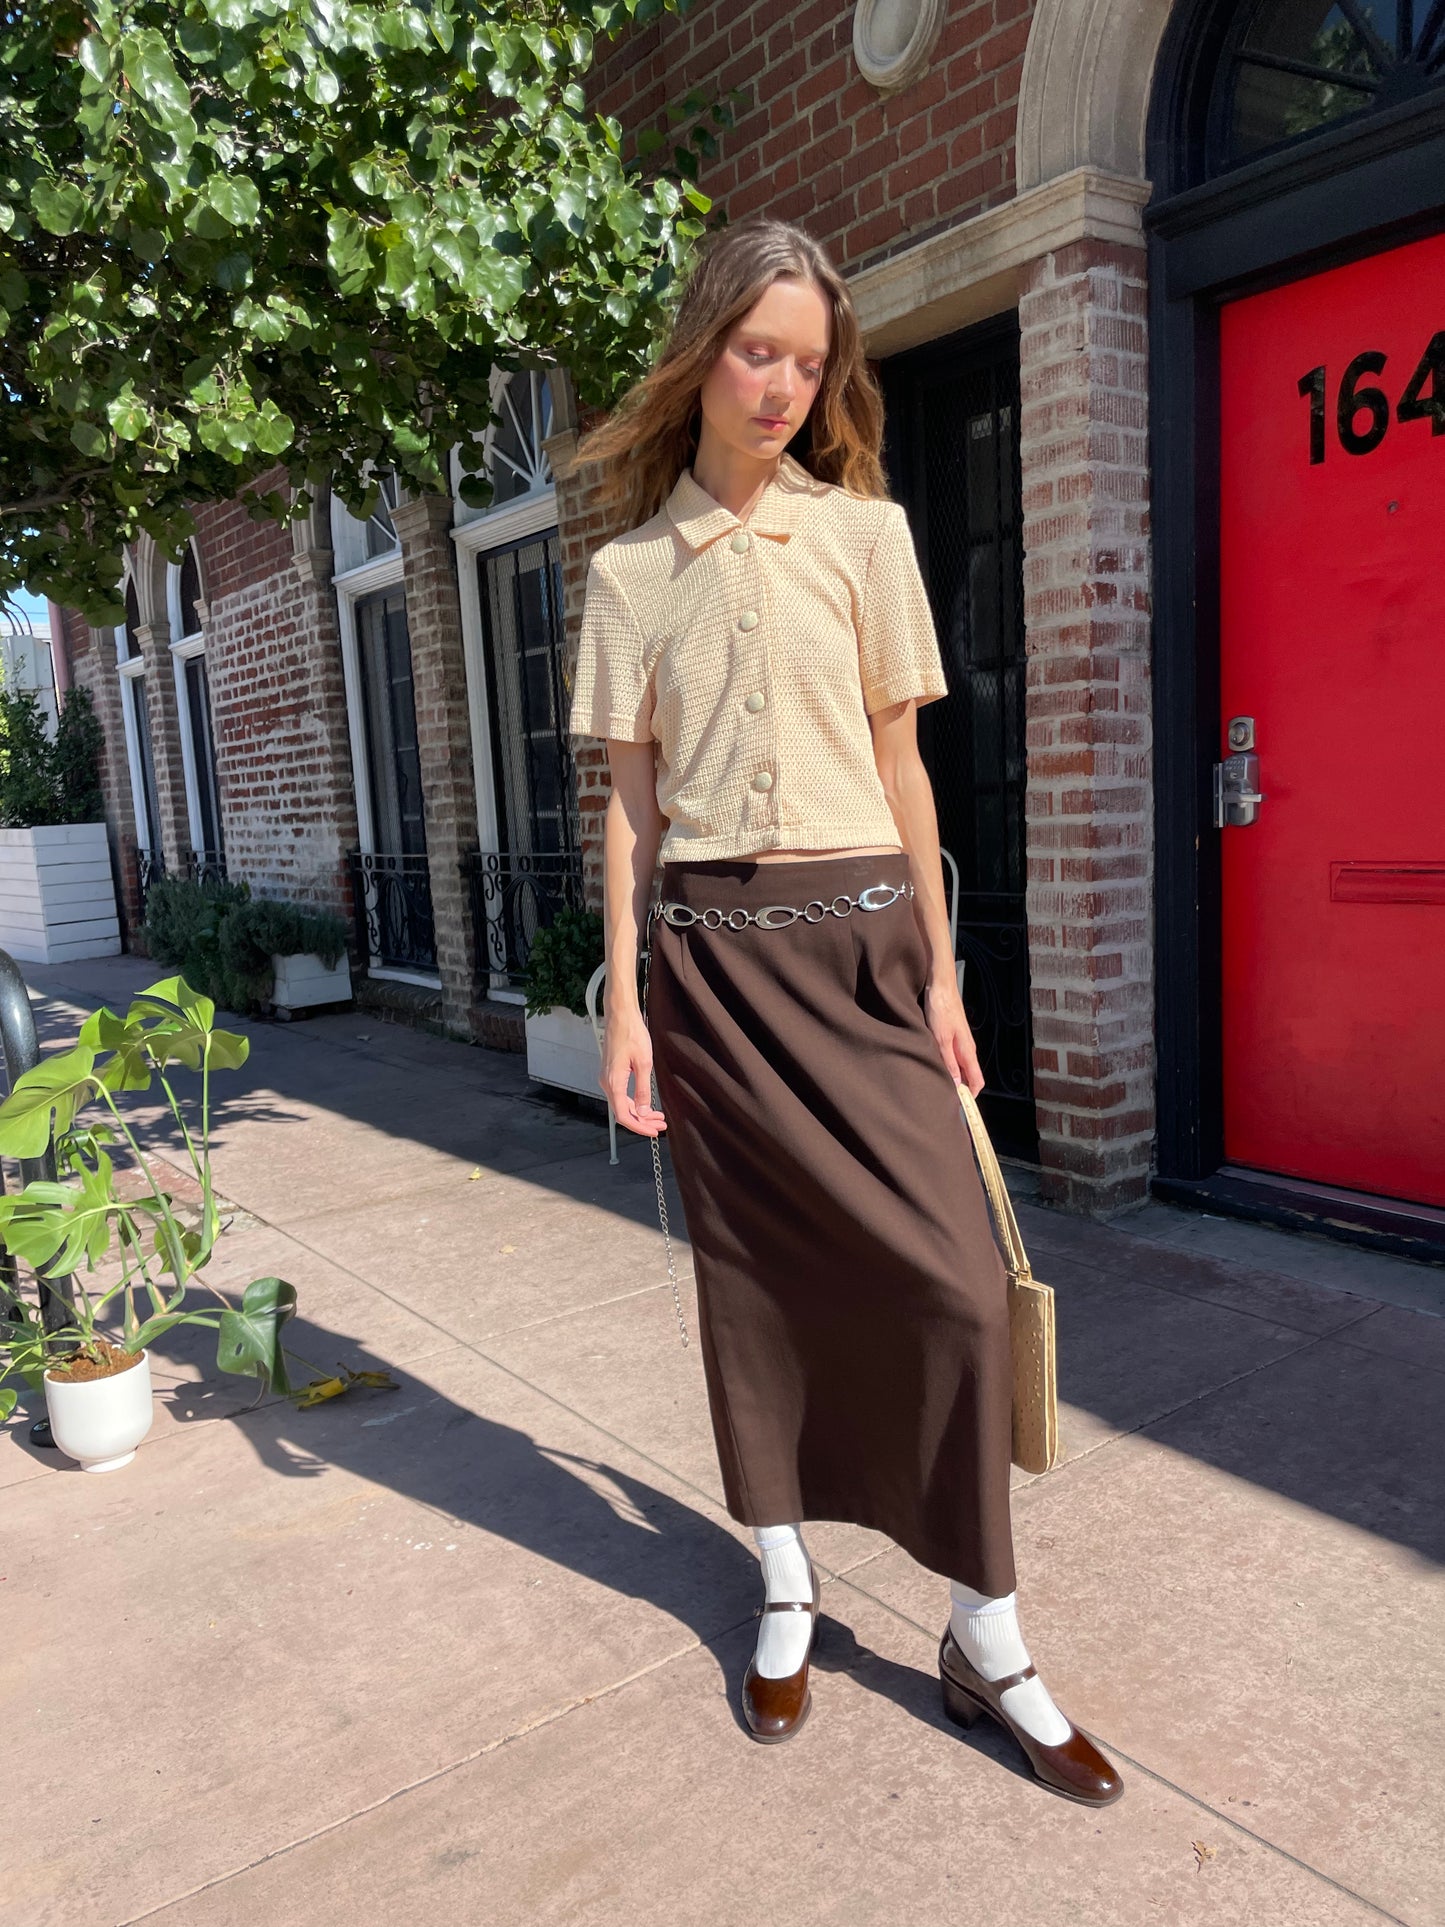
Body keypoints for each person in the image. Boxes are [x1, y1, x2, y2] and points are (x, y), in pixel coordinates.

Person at [567, 215, 1122, 1805]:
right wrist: (628, 1005)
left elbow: (903, 769)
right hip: (717, 975)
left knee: (956, 1287)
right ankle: (785, 1581)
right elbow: (629, 807)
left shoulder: (867, 539)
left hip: (866, 952)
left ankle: (983, 1633)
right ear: (702, 354)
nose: (782, 388)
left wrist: (939, 973)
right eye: (758, 352)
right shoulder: (628, 574)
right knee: (754, 1292)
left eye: (808, 365)